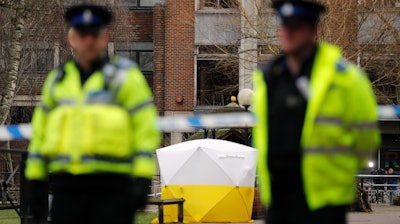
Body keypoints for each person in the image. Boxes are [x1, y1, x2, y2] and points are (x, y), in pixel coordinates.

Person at [25, 4, 160, 224]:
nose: (88, 40)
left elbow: (145, 129)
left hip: (113, 188)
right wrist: (35, 180)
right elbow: (40, 135)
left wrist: (143, 176)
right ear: (71, 39)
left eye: (94, 34)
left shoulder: (126, 78)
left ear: (104, 38)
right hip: (66, 188)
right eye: (81, 34)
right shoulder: (57, 81)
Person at [252, 0, 381, 223]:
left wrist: (337, 173)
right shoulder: (268, 77)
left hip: (324, 200)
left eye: (296, 26)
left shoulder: (346, 78)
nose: (288, 32)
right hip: (279, 198)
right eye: (284, 26)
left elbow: (366, 140)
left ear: (313, 30)